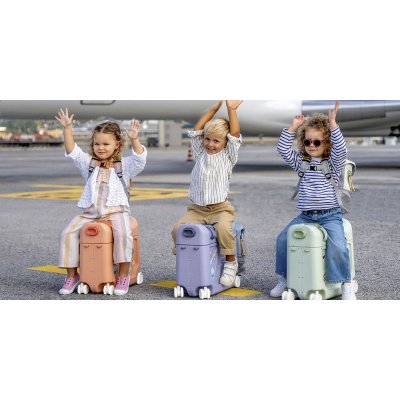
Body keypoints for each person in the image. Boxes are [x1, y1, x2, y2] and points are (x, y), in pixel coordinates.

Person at [270, 101, 357, 300]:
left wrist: (333, 123)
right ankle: (284, 278)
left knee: (338, 246)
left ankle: (345, 283)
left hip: (330, 215)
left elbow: (342, 150)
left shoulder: (333, 163)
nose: (311, 145)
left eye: (317, 142)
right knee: (283, 239)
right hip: (306, 216)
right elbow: (283, 149)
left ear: (327, 144)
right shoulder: (301, 162)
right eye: (307, 141)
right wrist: (292, 128)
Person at [55, 108, 147, 295]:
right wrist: (67, 129)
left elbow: (140, 159)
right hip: (91, 213)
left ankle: (123, 275)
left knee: (124, 235)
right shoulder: (89, 164)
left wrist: (135, 139)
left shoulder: (124, 165)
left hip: (116, 212)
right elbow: (72, 151)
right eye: (97, 143)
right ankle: (72, 276)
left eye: (106, 144)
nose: (101, 147)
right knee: (67, 233)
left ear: (117, 144)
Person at [171, 100, 243, 286]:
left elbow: (235, 134)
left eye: (216, 141)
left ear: (225, 143)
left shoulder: (228, 156)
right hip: (197, 210)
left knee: (224, 230)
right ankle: (188, 255)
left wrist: (231, 110)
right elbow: (197, 130)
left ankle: (230, 263)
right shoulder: (199, 153)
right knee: (178, 229)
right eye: (207, 139)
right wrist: (212, 110)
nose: (210, 144)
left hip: (220, 209)